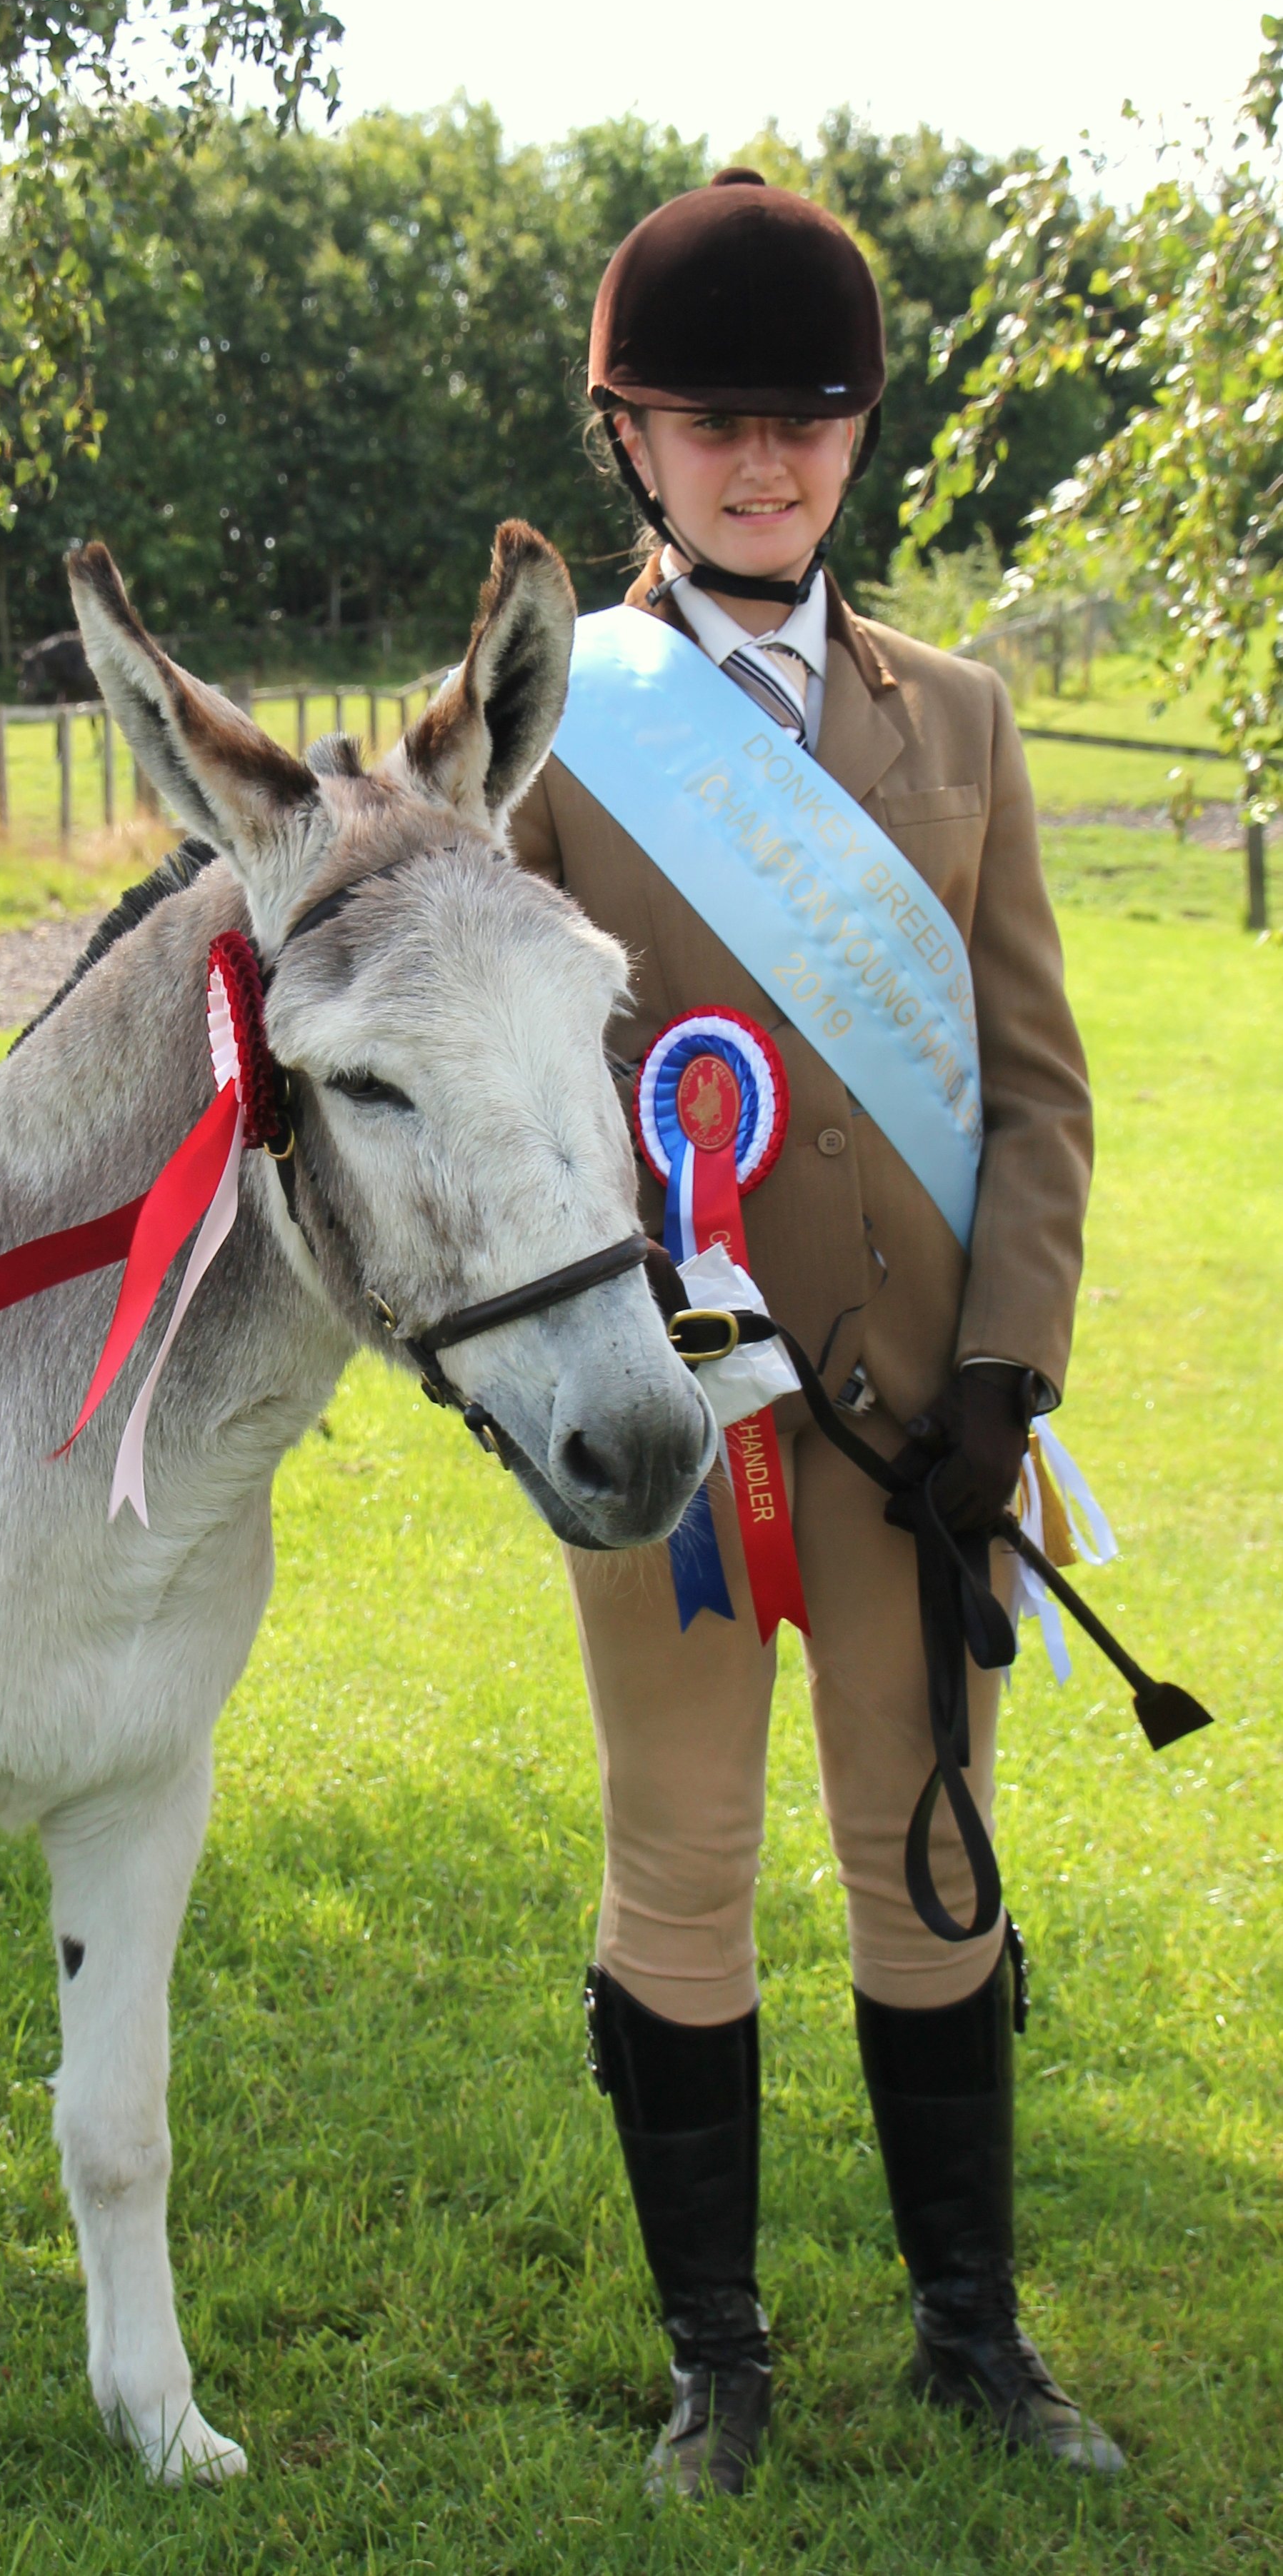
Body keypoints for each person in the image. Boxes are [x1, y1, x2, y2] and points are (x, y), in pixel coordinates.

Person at [510, 169, 1113, 2500]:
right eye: (714, 421)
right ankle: (719, 2363)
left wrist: (1010, 1376)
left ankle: (980, 2339)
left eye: (810, 419)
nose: (766, 463)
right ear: (631, 440)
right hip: (666, 1435)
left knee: (926, 1851)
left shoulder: (956, 720)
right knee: (676, 1863)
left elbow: (1039, 1076)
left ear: (858, 439)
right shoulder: (560, 726)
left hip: (923, 1441)